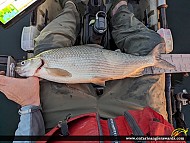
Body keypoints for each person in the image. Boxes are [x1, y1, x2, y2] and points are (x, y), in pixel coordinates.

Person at [0, 0, 168, 139]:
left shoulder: (42, 60)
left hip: (62, 122)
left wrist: (30, 105)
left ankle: (71, 8)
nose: (21, 65)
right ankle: (119, 10)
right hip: (140, 118)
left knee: (46, 46)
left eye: (23, 64)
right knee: (151, 46)